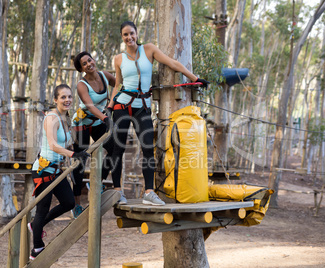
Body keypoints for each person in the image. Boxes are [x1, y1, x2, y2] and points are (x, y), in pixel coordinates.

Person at [106, 21, 209, 206]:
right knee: (118, 149)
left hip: (142, 106)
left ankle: (149, 192)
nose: (129, 37)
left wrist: (195, 78)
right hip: (121, 106)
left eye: (131, 33)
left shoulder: (149, 50)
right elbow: (118, 85)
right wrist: (110, 105)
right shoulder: (118, 59)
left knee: (147, 148)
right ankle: (117, 191)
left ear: (136, 33)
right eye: (125, 35)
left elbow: (172, 63)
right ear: (122, 37)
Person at [28, 84, 90, 260]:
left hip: (56, 170)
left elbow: (67, 143)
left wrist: (80, 149)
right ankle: (37, 249)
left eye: (69, 96)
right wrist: (73, 154)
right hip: (43, 170)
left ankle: (36, 226)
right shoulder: (51, 118)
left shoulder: (65, 118)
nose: (67, 100)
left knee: (69, 202)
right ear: (55, 100)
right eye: (63, 97)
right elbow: (54, 144)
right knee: (42, 209)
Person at [70, 51, 117, 218]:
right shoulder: (82, 85)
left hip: (98, 121)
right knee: (80, 162)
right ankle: (76, 205)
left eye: (89, 60)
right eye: (84, 64)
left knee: (114, 149)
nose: (89, 64)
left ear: (93, 59)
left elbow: (120, 85)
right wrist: (105, 117)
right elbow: (89, 105)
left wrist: (111, 104)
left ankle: (96, 182)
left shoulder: (104, 75)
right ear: (81, 69)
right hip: (82, 123)